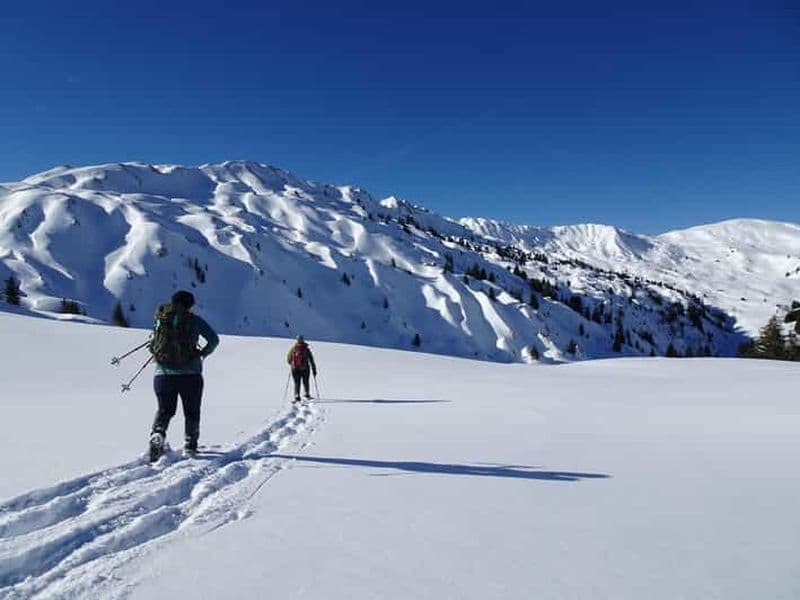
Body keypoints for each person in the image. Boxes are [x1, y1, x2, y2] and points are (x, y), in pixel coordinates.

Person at [148, 290, 219, 461]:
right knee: (191, 411)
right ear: (189, 305)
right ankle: (190, 446)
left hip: (162, 374)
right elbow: (214, 340)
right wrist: (202, 353)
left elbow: (153, 343)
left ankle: (158, 434)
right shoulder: (194, 320)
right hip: (191, 374)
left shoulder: (161, 319)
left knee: (165, 410)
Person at [287, 335, 317, 402]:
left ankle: (297, 395)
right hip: (305, 368)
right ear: (303, 340)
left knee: (297, 382)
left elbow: (288, 359)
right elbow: (311, 360)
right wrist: (314, 369)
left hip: (295, 369)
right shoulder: (306, 349)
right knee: (305, 381)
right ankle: (306, 393)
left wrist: (292, 364)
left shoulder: (293, 349)